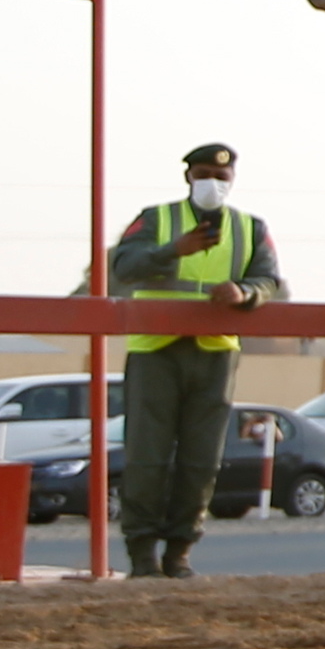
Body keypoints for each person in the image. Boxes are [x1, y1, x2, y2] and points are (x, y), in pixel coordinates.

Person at [107, 142, 285, 578]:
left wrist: (245, 293)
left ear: (232, 181)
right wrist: (173, 250)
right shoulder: (156, 219)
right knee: (146, 455)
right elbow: (124, 265)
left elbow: (268, 278)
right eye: (205, 174)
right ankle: (143, 553)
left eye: (221, 177)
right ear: (188, 176)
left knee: (201, 459)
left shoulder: (250, 228)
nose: (213, 183)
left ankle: (180, 551)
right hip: (156, 349)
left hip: (215, 351)